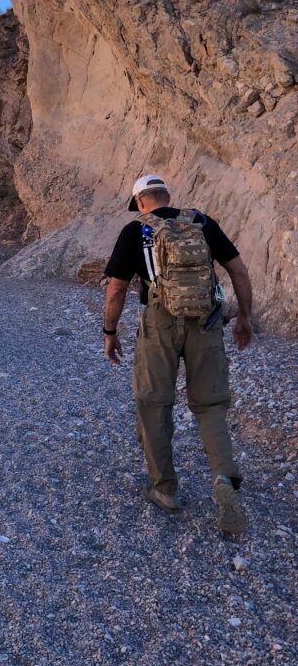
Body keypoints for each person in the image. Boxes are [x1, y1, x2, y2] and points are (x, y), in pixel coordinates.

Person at [102, 174, 253, 534]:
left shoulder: (135, 232)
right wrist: (244, 317)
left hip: (159, 323)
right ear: (167, 195)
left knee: (153, 403)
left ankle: (165, 489)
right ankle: (223, 479)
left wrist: (110, 332)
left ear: (140, 202)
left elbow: (116, 292)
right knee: (211, 404)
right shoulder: (200, 222)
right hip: (206, 321)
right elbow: (239, 272)